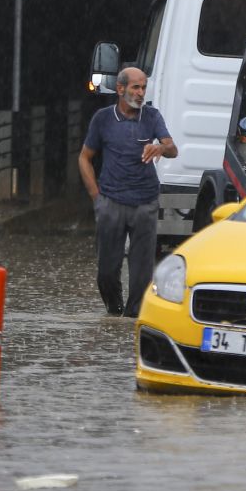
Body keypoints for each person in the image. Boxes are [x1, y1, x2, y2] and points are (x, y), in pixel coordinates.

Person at [78, 67, 177, 317]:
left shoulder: (152, 117)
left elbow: (172, 148)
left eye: (143, 87)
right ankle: (114, 309)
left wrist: (160, 148)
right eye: (136, 87)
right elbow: (85, 158)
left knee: (142, 272)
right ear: (120, 89)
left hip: (145, 203)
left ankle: (133, 318)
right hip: (111, 201)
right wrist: (96, 197)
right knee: (107, 271)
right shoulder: (103, 119)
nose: (141, 93)